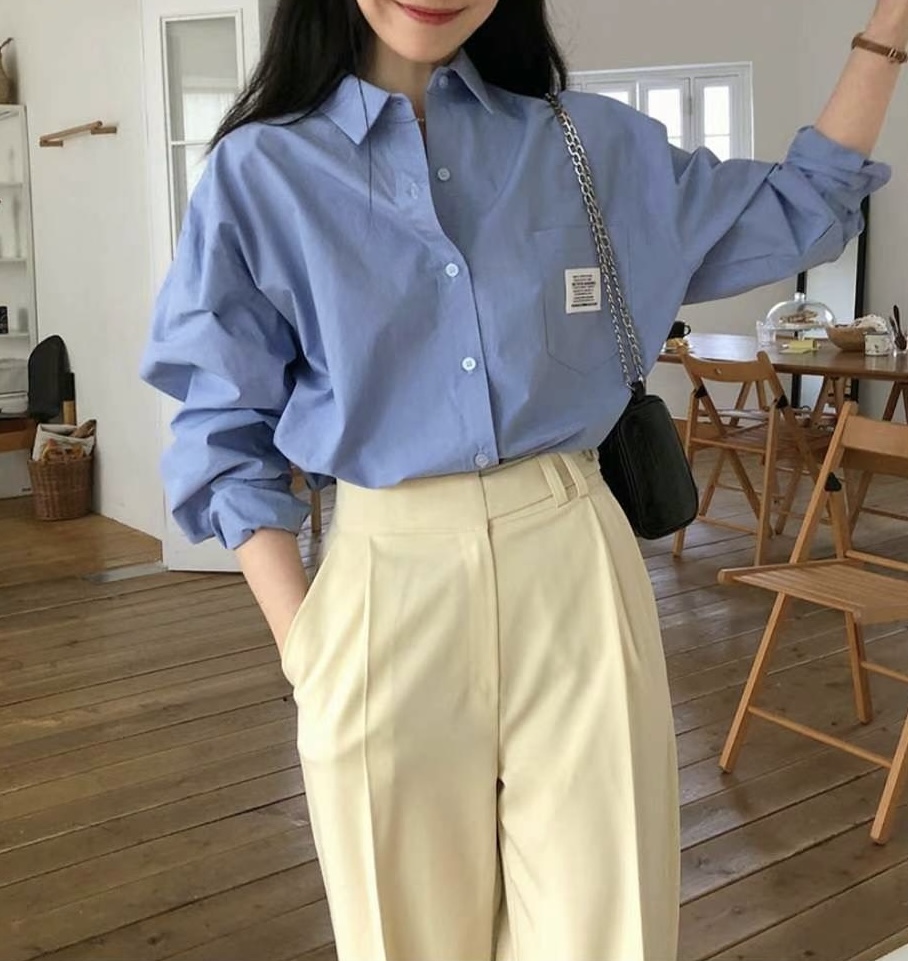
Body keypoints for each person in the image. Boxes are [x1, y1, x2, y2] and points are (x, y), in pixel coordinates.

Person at [140, 1, 906, 958]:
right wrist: (309, 648)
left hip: (573, 554)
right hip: (383, 583)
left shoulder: (584, 145)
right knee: (406, 937)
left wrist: (889, 26)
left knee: (607, 931)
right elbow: (221, 427)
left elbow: (805, 204)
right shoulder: (263, 172)